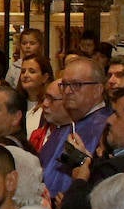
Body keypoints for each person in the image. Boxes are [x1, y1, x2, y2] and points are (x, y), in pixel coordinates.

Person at [39, 55, 110, 198]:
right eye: (64, 85)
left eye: (76, 84)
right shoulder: (65, 127)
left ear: (98, 89)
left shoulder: (107, 126)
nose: (67, 91)